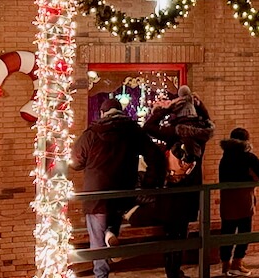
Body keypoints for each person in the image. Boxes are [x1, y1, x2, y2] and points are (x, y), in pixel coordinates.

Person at [71, 97, 167, 278]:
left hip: (95, 195)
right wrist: (148, 183)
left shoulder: (91, 133)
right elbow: (156, 157)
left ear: (102, 113)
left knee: (96, 241)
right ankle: (111, 232)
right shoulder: (133, 131)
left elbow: (76, 162)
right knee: (114, 216)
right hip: (123, 191)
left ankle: (101, 274)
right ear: (121, 112)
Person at [143, 87, 214, 278]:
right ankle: (176, 271)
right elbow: (209, 123)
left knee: (170, 233)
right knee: (181, 232)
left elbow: (147, 127)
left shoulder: (172, 132)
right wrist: (201, 106)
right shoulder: (202, 134)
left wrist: (166, 109)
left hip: (171, 190)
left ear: (177, 112)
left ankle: (171, 271)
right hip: (190, 191)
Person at [219, 128, 259, 277]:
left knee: (227, 232)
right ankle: (237, 263)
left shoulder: (224, 158)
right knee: (244, 232)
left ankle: (225, 264)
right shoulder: (248, 157)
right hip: (244, 200)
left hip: (227, 200)